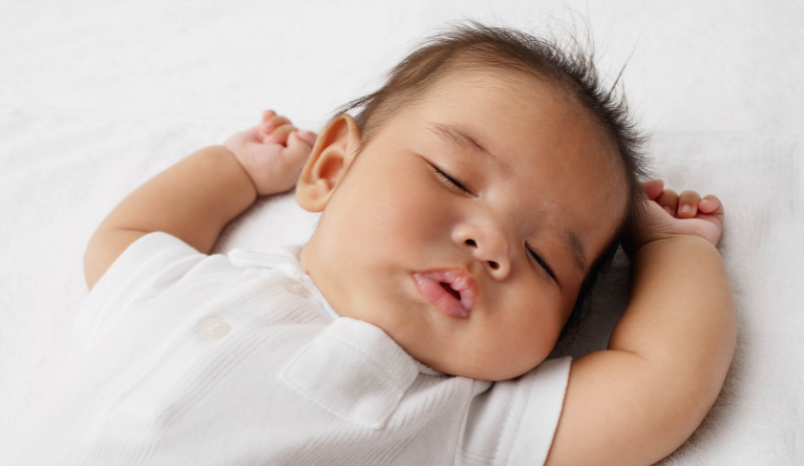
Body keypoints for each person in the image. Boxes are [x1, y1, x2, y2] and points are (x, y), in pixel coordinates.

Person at [10, 23, 735, 466]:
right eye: (455, 177)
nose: (491, 244)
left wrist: (673, 249)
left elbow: (660, 385)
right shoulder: (192, 286)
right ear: (330, 169)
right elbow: (130, 237)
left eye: (546, 259)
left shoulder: (456, 418)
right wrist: (232, 169)